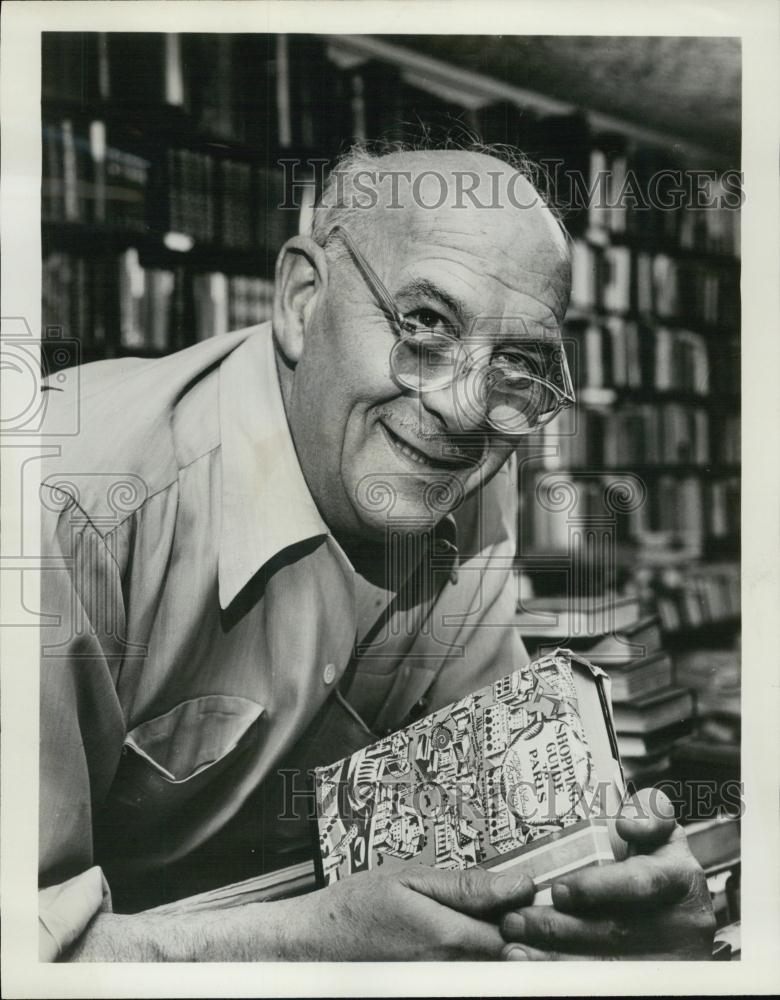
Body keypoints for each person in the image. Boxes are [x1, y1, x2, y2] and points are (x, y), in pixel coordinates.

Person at [38, 145, 715, 961]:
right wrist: (310, 946)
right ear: (300, 299)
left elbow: (502, 827)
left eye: (517, 364)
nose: (465, 410)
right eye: (426, 323)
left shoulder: (460, 475)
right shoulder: (61, 503)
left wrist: (615, 888)